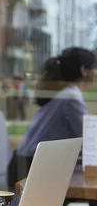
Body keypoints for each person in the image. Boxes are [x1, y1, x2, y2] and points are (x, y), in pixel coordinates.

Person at [8, 47, 96, 187]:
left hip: (28, 161)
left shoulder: (66, 93)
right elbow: (89, 138)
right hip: (31, 165)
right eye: (94, 68)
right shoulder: (71, 97)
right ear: (84, 70)